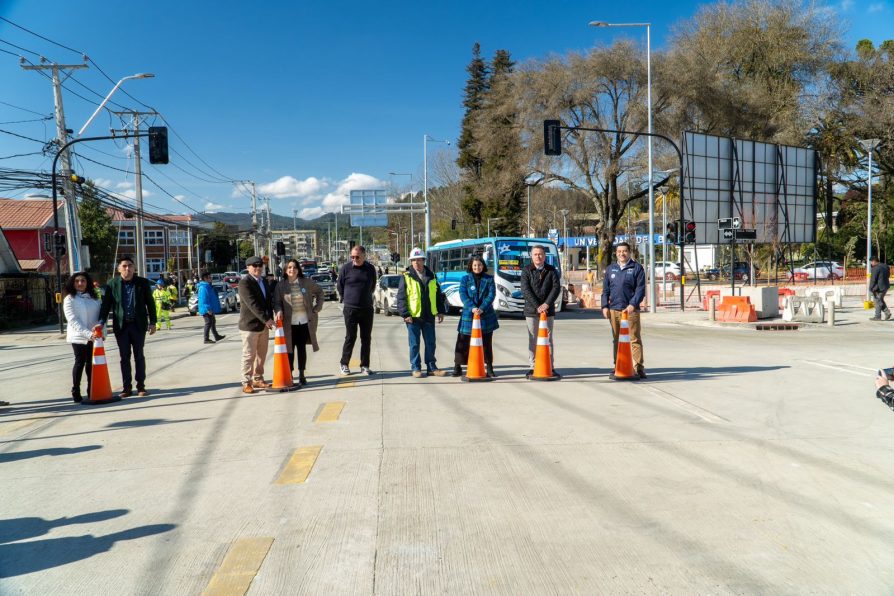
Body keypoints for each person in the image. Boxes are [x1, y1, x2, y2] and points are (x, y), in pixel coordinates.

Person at [99, 256, 157, 397]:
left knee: (139, 356)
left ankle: (141, 387)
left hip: (138, 326)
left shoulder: (142, 283)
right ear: (119, 268)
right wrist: (101, 323)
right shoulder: (112, 284)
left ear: (134, 267)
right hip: (122, 326)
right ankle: (127, 388)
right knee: (124, 357)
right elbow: (106, 306)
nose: (127, 268)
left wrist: (153, 322)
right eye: (124, 266)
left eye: (130, 265)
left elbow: (150, 303)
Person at [396, 247, 448, 378]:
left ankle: (431, 367)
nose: (417, 263)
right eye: (414, 260)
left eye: (419, 260)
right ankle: (416, 368)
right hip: (413, 317)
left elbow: (437, 295)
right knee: (414, 344)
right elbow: (401, 297)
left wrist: (440, 311)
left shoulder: (432, 275)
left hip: (429, 315)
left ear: (424, 261)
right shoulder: (406, 276)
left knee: (431, 343)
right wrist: (405, 314)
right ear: (411, 262)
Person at [273, 259, 324, 386]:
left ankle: (302, 374)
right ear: (285, 270)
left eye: (295, 267)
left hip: (304, 322)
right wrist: (278, 310)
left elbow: (319, 292)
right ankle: (289, 374)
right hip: (288, 324)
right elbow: (276, 302)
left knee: (301, 349)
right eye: (289, 267)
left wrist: (317, 307)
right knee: (289, 350)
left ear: (298, 270)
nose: (292, 269)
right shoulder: (280, 285)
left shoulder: (306, 283)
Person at [601, 242, 647, 379]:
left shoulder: (637, 268)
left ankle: (638, 367)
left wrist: (633, 305)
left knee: (634, 339)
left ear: (629, 252)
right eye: (619, 251)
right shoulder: (611, 269)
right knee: (617, 340)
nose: (622, 254)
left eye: (625, 251)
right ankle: (618, 365)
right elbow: (606, 290)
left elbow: (640, 290)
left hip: (630, 311)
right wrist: (604, 306)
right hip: (614, 309)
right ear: (616, 253)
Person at [453, 255, 499, 378]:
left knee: (486, 343)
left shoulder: (489, 279)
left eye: (479, 265)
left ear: (483, 265)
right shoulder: (465, 279)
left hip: (486, 315)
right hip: (469, 314)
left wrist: (482, 308)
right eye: (474, 265)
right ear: (471, 266)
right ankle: (457, 367)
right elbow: (462, 294)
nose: (477, 267)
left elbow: (491, 295)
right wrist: (472, 307)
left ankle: (489, 368)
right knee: (462, 342)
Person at [520, 244, 562, 379]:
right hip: (531, 311)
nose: (538, 256)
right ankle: (532, 367)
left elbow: (556, 288)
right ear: (531, 256)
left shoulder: (551, 270)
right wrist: (537, 305)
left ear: (545, 256)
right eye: (535, 254)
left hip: (548, 311)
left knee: (548, 339)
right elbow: (525, 290)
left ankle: (550, 365)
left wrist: (546, 304)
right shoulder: (526, 270)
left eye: (541, 254)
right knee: (533, 339)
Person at [336, 245, 377, 375]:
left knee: (366, 338)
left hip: (366, 309)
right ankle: (344, 364)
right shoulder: (346, 268)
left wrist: (364, 298)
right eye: (352, 256)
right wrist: (347, 298)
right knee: (350, 337)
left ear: (364, 255)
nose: (354, 259)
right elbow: (340, 285)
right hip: (350, 309)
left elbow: (373, 286)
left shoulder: (370, 269)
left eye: (357, 256)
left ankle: (365, 365)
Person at [63, 271, 101, 402]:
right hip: (78, 337)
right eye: (77, 281)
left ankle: (91, 389)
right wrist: (88, 334)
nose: (80, 283)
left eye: (83, 281)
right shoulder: (70, 299)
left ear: (87, 282)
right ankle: (76, 390)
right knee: (80, 362)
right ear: (73, 283)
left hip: (94, 337)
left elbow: (100, 317)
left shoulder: (94, 298)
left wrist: (101, 333)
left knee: (91, 364)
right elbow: (72, 320)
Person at [237, 256, 274, 394]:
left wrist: (270, 316)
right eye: (254, 266)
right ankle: (246, 382)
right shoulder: (244, 283)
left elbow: (268, 301)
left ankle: (258, 378)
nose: (258, 268)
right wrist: (267, 319)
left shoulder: (263, 281)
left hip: (264, 326)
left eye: (260, 266)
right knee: (249, 355)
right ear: (248, 268)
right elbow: (252, 304)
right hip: (249, 326)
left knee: (261, 355)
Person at [197, 271, 226, 344]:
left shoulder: (208, 286)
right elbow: (204, 299)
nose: (211, 279)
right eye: (209, 277)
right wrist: (208, 309)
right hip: (206, 309)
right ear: (205, 278)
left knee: (213, 322)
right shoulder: (203, 287)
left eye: (211, 277)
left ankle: (216, 336)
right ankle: (206, 339)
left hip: (210, 308)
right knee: (208, 322)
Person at [869, 256, 890, 321]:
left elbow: (873, 280)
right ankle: (887, 313)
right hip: (886, 286)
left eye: (871, 262)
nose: (871, 264)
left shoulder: (875, 268)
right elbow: (888, 275)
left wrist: (870, 288)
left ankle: (878, 316)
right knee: (880, 300)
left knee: (877, 301)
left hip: (878, 288)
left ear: (874, 261)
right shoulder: (885, 266)